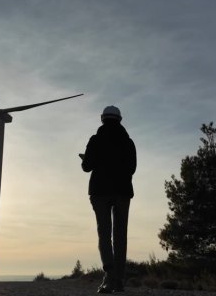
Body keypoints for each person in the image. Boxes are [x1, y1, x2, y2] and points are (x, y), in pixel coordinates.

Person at [81, 105, 137, 293]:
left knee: (104, 234)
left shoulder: (96, 140)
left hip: (100, 191)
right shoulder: (128, 142)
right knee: (120, 235)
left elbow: (86, 167)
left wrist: (90, 159)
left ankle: (108, 277)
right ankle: (119, 280)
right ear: (119, 119)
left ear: (102, 119)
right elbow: (132, 168)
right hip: (122, 192)